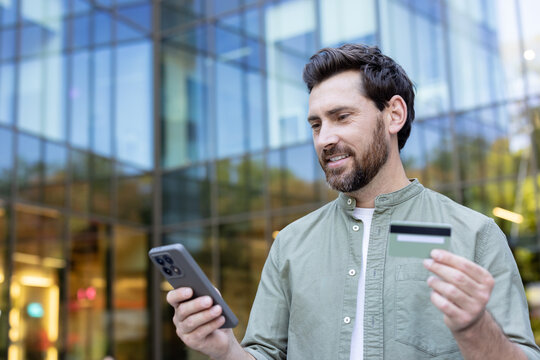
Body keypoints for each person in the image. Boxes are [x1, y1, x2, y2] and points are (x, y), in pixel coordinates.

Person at [166, 44, 540, 359]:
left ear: (393, 114)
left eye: (341, 117)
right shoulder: (292, 244)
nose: (325, 138)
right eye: (316, 125)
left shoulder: (475, 234)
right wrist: (224, 349)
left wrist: (476, 328)